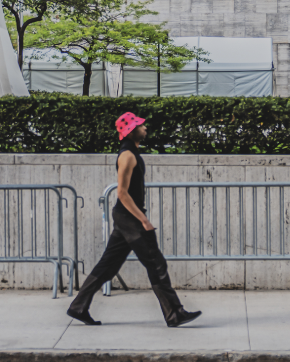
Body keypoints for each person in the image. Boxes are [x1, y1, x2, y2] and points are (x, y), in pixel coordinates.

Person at [65, 112, 201, 327]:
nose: (145, 127)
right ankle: (175, 313)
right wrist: (143, 219)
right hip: (130, 218)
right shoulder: (127, 155)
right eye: (140, 125)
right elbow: (122, 193)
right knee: (156, 263)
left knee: (108, 266)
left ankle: (78, 307)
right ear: (131, 131)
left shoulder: (132, 153)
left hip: (125, 218)